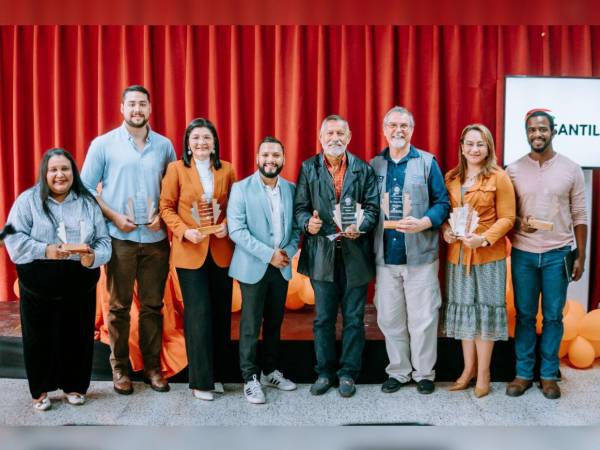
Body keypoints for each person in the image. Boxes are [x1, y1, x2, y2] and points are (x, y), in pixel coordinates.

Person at [81, 85, 176, 395]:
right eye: (131, 104)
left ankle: (151, 367)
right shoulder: (103, 144)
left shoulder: (164, 146)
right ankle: (120, 368)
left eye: (143, 104)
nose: (137, 109)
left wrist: (163, 215)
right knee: (119, 307)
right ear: (121, 108)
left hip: (155, 239)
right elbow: (85, 189)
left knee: (152, 306)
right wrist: (112, 216)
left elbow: (173, 189)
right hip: (118, 237)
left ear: (150, 109)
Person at [4, 148, 111, 411]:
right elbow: (13, 240)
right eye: (53, 169)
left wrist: (93, 256)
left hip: (78, 280)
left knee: (77, 337)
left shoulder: (87, 202)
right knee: (38, 339)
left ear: (73, 172)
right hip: (38, 281)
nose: (60, 175)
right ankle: (40, 391)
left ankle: (75, 387)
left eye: (65, 169)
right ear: (45, 173)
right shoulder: (27, 200)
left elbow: (104, 241)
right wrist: (46, 250)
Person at [294, 114, 379, 398]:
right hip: (322, 253)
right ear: (321, 137)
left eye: (340, 133)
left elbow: (372, 208)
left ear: (349, 136)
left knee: (355, 318)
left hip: (355, 253)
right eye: (329, 133)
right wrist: (308, 223)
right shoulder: (308, 168)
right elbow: (300, 208)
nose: (335, 138)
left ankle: (348, 373)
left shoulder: (363, 169)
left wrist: (362, 226)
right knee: (323, 319)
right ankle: (324, 372)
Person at [506, 109, 587, 400]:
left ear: (553, 131)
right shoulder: (512, 169)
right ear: (526, 133)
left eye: (542, 129)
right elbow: (506, 215)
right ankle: (524, 374)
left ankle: (549, 375)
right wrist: (519, 223)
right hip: (524, 254)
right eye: (531, 130)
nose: (537, 134)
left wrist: (581, 255)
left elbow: (579, 214)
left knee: (553, 316)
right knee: (525, 315)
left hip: (558, 253)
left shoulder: (571, 168)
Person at [370, 106, 450, 395]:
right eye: (392, 125)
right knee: (389, 318)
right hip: (385, 258)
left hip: (420, 256)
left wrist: (425, 222)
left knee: (424, 318)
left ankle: (425, 373)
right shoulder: (374, 165)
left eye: (404, 125)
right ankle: (399, 371)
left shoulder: (427, 162)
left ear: (412, 130)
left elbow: (443, 203)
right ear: (384, 130)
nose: (398, 130)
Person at [160, 118, 235, 401]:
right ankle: (200, 381)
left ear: (214, 142)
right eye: (196, 138)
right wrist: (183, 231)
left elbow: (233, 205)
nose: (201, 143)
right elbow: (166, 208)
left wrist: (227, 223)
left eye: (207, 138)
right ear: (188, 144)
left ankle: (217, 375)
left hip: (220, 251)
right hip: (190, 252)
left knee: (220, 313)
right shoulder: (176, 169)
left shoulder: (227, 169)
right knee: (198, 314)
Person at [439, 124, 516, 398]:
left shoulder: (499, 177)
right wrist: (446, 232)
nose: (474, 149)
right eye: (470, 144)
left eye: (480, 144)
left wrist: (483, 239)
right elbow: (444, 215)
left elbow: (508, 218)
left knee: (484, 315)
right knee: (465, 315)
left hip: (488, 257)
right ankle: (467, 370)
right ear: (461, 147)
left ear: (489, 148)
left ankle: (484, 374)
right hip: (458, 257)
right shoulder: (451, 178)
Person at [228, 136, 300, 404]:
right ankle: (250, 377)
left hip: (280, 266)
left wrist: (287, 253)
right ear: (257, 158)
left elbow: (296, 229)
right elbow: (236, 230)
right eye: (266, 155)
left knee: (274, 322)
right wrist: (268, 255)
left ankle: (270, 371)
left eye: (276, 156)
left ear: (283, 159)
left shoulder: (292, 189)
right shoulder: (241, 188)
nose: (271, 160)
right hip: (253, 266)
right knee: (250, 324)